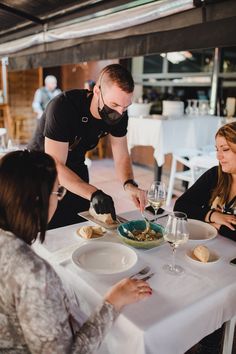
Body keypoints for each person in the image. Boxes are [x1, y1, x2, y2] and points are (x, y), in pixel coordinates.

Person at [0, 150, 152, 353]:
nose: (59, 199)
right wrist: (113, 301)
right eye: (58, 192)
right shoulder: (33, 273)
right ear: (38, 200)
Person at [28, 64, 146, 229]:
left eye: (125, 107)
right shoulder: (63, 107)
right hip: (41, 168)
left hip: (75, 165)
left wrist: (129, 184)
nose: (119, 113)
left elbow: (122, 156)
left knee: (79, 225)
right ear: (97, 91)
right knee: (48, 229)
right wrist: (94, 193)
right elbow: (55, 165)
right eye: (114, 105)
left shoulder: (120, 114)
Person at [174, 121, 236, 242]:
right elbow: (180, 207)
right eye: (217, 149)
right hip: (208, 248)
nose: (218, 156)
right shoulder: (215, 175)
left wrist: (216, 226)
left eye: (225, 149)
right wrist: (213, 216)